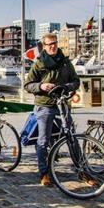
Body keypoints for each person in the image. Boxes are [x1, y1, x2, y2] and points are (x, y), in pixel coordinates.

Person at [24, 32, 83, 187]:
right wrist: (42, 86)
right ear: (44, 46)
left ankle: (81, 168)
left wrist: (66, 87)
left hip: (62, 104)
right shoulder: (39, 64)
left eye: (55, 43)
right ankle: (44, 173)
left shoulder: (65, 62)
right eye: (49, 44)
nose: (53, 46)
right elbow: (28, 85)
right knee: (43, 140)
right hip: (45, 104)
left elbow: (76, 81)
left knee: (72, 137)